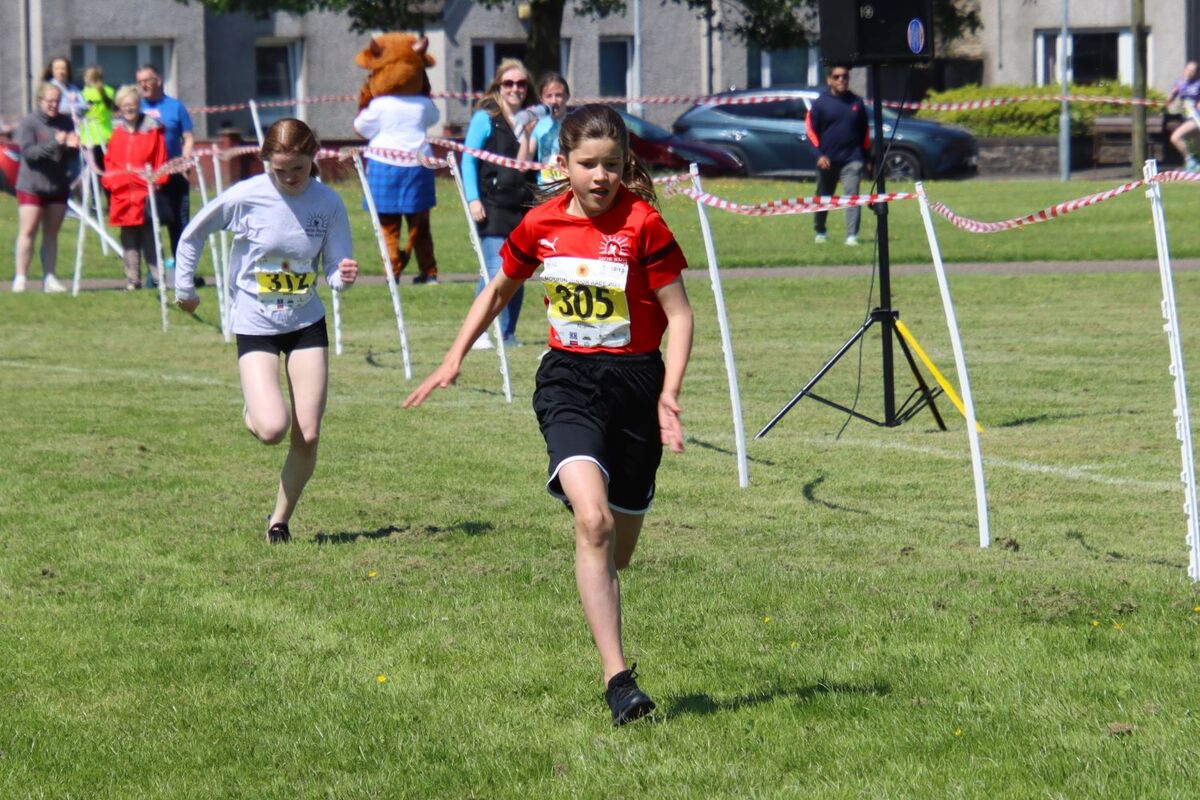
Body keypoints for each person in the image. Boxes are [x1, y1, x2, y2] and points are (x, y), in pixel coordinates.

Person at [404, 104, 694, 726]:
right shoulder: (541, 223)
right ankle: (619, 681)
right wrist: (453, 357)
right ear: (562, 165)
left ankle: (602, 574)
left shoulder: (644, 224)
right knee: (591, 523)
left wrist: (669, 392)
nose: (600, 176)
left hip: (637, 384)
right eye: (587, 165)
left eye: (611, 165)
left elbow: (682, 314)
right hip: (568, 381)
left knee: (616, 549)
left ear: (624, 166)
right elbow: (499, 289)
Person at [173, 119, 359, 543]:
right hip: (255, 324)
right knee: (273, 428)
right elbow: (192, 236)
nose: (290, 178)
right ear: (265, 163)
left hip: (305, 322)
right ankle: (254, 412)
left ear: (313, 157)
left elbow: (335, 270)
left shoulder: (327, 203)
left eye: (297, 168)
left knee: (308, 432)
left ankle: (280, 521)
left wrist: (343, 275)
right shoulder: (245, 197)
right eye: (279, 170)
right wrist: (185, 291)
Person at [461, 58, 536, 349]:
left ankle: (507, 334)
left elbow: (524, 165)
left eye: (520, 84)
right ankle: (478, 331)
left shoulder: (530, 119)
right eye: (509, 83)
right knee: (495, 269)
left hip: (521, 206)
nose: (515, 89)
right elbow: (468, 158)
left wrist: (528, 133)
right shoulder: (486, 116)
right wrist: (472, 199)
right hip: (491, 205)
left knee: (517, 271)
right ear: (498, 86)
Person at [352, 62, 440, 285]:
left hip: (384, 163)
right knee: (419, 225)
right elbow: (434, 118)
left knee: (388, 225)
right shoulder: (423, 103)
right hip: (419, 164)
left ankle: (392, 271)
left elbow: (361, 128)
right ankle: (428, 272)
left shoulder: (379, 104)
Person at [12, 83, 79, 293]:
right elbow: (29, 153)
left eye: (57, 101)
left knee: (51, 233)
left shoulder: (66, 121)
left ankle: (50, 277)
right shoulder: (29, 123)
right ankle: (21, 278)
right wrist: (55, 143)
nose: (53, 105)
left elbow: (69, 156)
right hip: (32, 185)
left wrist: (71, 147)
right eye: (49, 101)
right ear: (39, 100)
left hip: (58, 185)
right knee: (28, 230)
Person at [102, 85, 167, 291]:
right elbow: (109, 162)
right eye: (125, 105)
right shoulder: (116, 132)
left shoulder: (153, 131)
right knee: (128, 239)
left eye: (133, 104)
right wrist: (111, 183)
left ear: (139, 106)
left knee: (151, 236)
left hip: (145, 192)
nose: (129, 108)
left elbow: (161, 161)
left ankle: (159, 278)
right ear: (119, 107)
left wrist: (156, 182)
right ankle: (132, 280)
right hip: (122, 193)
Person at [137, 63, 194, 282]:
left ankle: (183, 272)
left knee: (179, 223)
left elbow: (188, 138)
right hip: (148, 178)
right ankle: (155, 273)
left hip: (174, 173)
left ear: (158, 81)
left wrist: (184, 163)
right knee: (151, 224)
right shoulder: (137, 107)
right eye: (140, 81)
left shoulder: (175, 107)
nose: (143, 85)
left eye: (147, 80)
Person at [806, 63, 870, 247]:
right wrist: (818, 155)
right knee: (824, 197)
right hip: (827, 160)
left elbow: (864, 132)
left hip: (852, 159)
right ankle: (820, 230)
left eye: (845, 76)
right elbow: (810, 132)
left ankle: (852, 236)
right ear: (829, 80)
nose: (841, 80)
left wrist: (865, 157)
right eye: (837, 77)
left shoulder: (856, 103)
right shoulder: (820, 104)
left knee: (852, 197)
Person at [532, 72, 571, 185]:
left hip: (568, 188)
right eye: (549, 96)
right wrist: (526, 133)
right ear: (542, 99)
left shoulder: (576, 123)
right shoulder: (538, 125)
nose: (553, 101)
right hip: (544, 190)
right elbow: (523, 162)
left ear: (567, 96)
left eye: (558, 95)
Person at [80, 66, 117, 172]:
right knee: (107, 170)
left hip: (89, 137)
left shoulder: (85, 93)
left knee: (93, 173)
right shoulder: (110, 91)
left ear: (87, 78)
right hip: (107, 135)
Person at [1167, 61, 1200, 172]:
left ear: (1195, 73)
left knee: (1175, 137)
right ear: (1184, 70)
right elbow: (1170, 99)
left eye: (1193, 71)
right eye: (1188, 69)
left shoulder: (1198, 84)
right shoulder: (1179, 84)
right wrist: (1170, 99)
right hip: (1187, 119)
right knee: (1196, 146)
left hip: (1196, 118)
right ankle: (1194, 163)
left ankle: (1190, 160)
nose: (1190, 72)